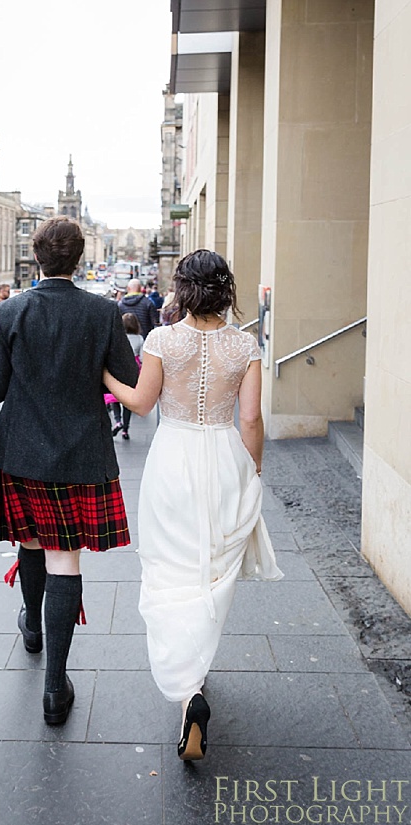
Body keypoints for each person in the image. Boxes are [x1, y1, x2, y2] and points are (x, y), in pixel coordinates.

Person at [103, 249, 283, 761]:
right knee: (212, 566)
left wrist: (105, 377)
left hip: (174, 459)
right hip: (224, 455)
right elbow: (250, 419)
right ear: (225, 289)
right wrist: (254, 469)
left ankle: (189, 691)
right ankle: (196, 675)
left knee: (168, 566)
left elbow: (140, 402)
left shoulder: (163, 339)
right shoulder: (245, 345)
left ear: (183, 288)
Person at [0, 216, 139, 726]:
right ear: (79, 258)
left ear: (36, 258)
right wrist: (90, 366)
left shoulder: (10, 310)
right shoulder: (102, 311)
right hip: (81, 453)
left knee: (31, 539)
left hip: (22, 452)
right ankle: (54, 686)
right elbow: (124, 381)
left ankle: (34, 631)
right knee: (64, 558)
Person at [108, 313, 143, 440]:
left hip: (117, 368)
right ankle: (125, 430)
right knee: (128, 400)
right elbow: (143, 357)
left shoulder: (118, 337)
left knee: (114, 398)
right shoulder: (139, 338)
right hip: (132, 369)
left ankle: (118, 421)